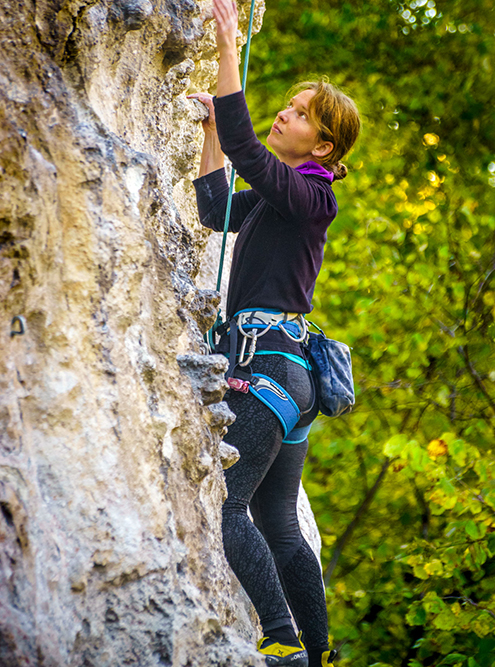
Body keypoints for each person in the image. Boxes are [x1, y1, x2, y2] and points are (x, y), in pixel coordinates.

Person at [188, 1, 360, 665]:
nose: (282, 114)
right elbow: (216, 210)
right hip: (289, 375)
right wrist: (210, 126)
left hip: (266, 371)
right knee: (281, 525)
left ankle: (282, 636)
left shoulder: (313, 196)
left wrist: (229, 46)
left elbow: (248, 152)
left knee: (227, 506)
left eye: (296, 112)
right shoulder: (284, 196)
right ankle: (318, 656)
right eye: (284, 105)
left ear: (320, 146)